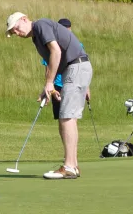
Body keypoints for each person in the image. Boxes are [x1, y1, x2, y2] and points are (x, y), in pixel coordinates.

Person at [6, 12, 92, 180]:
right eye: (13, 32)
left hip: (76, 67)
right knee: (68, 117)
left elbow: (56, 52)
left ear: (24, 19)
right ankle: (72, 165)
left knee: (67, 117)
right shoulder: (36, 36)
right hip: (73, 69)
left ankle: (69, 166)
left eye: (16, 28)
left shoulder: (40, 25)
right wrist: (48, 88)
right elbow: (55, 61)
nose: (16, 33)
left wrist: (50, 82)